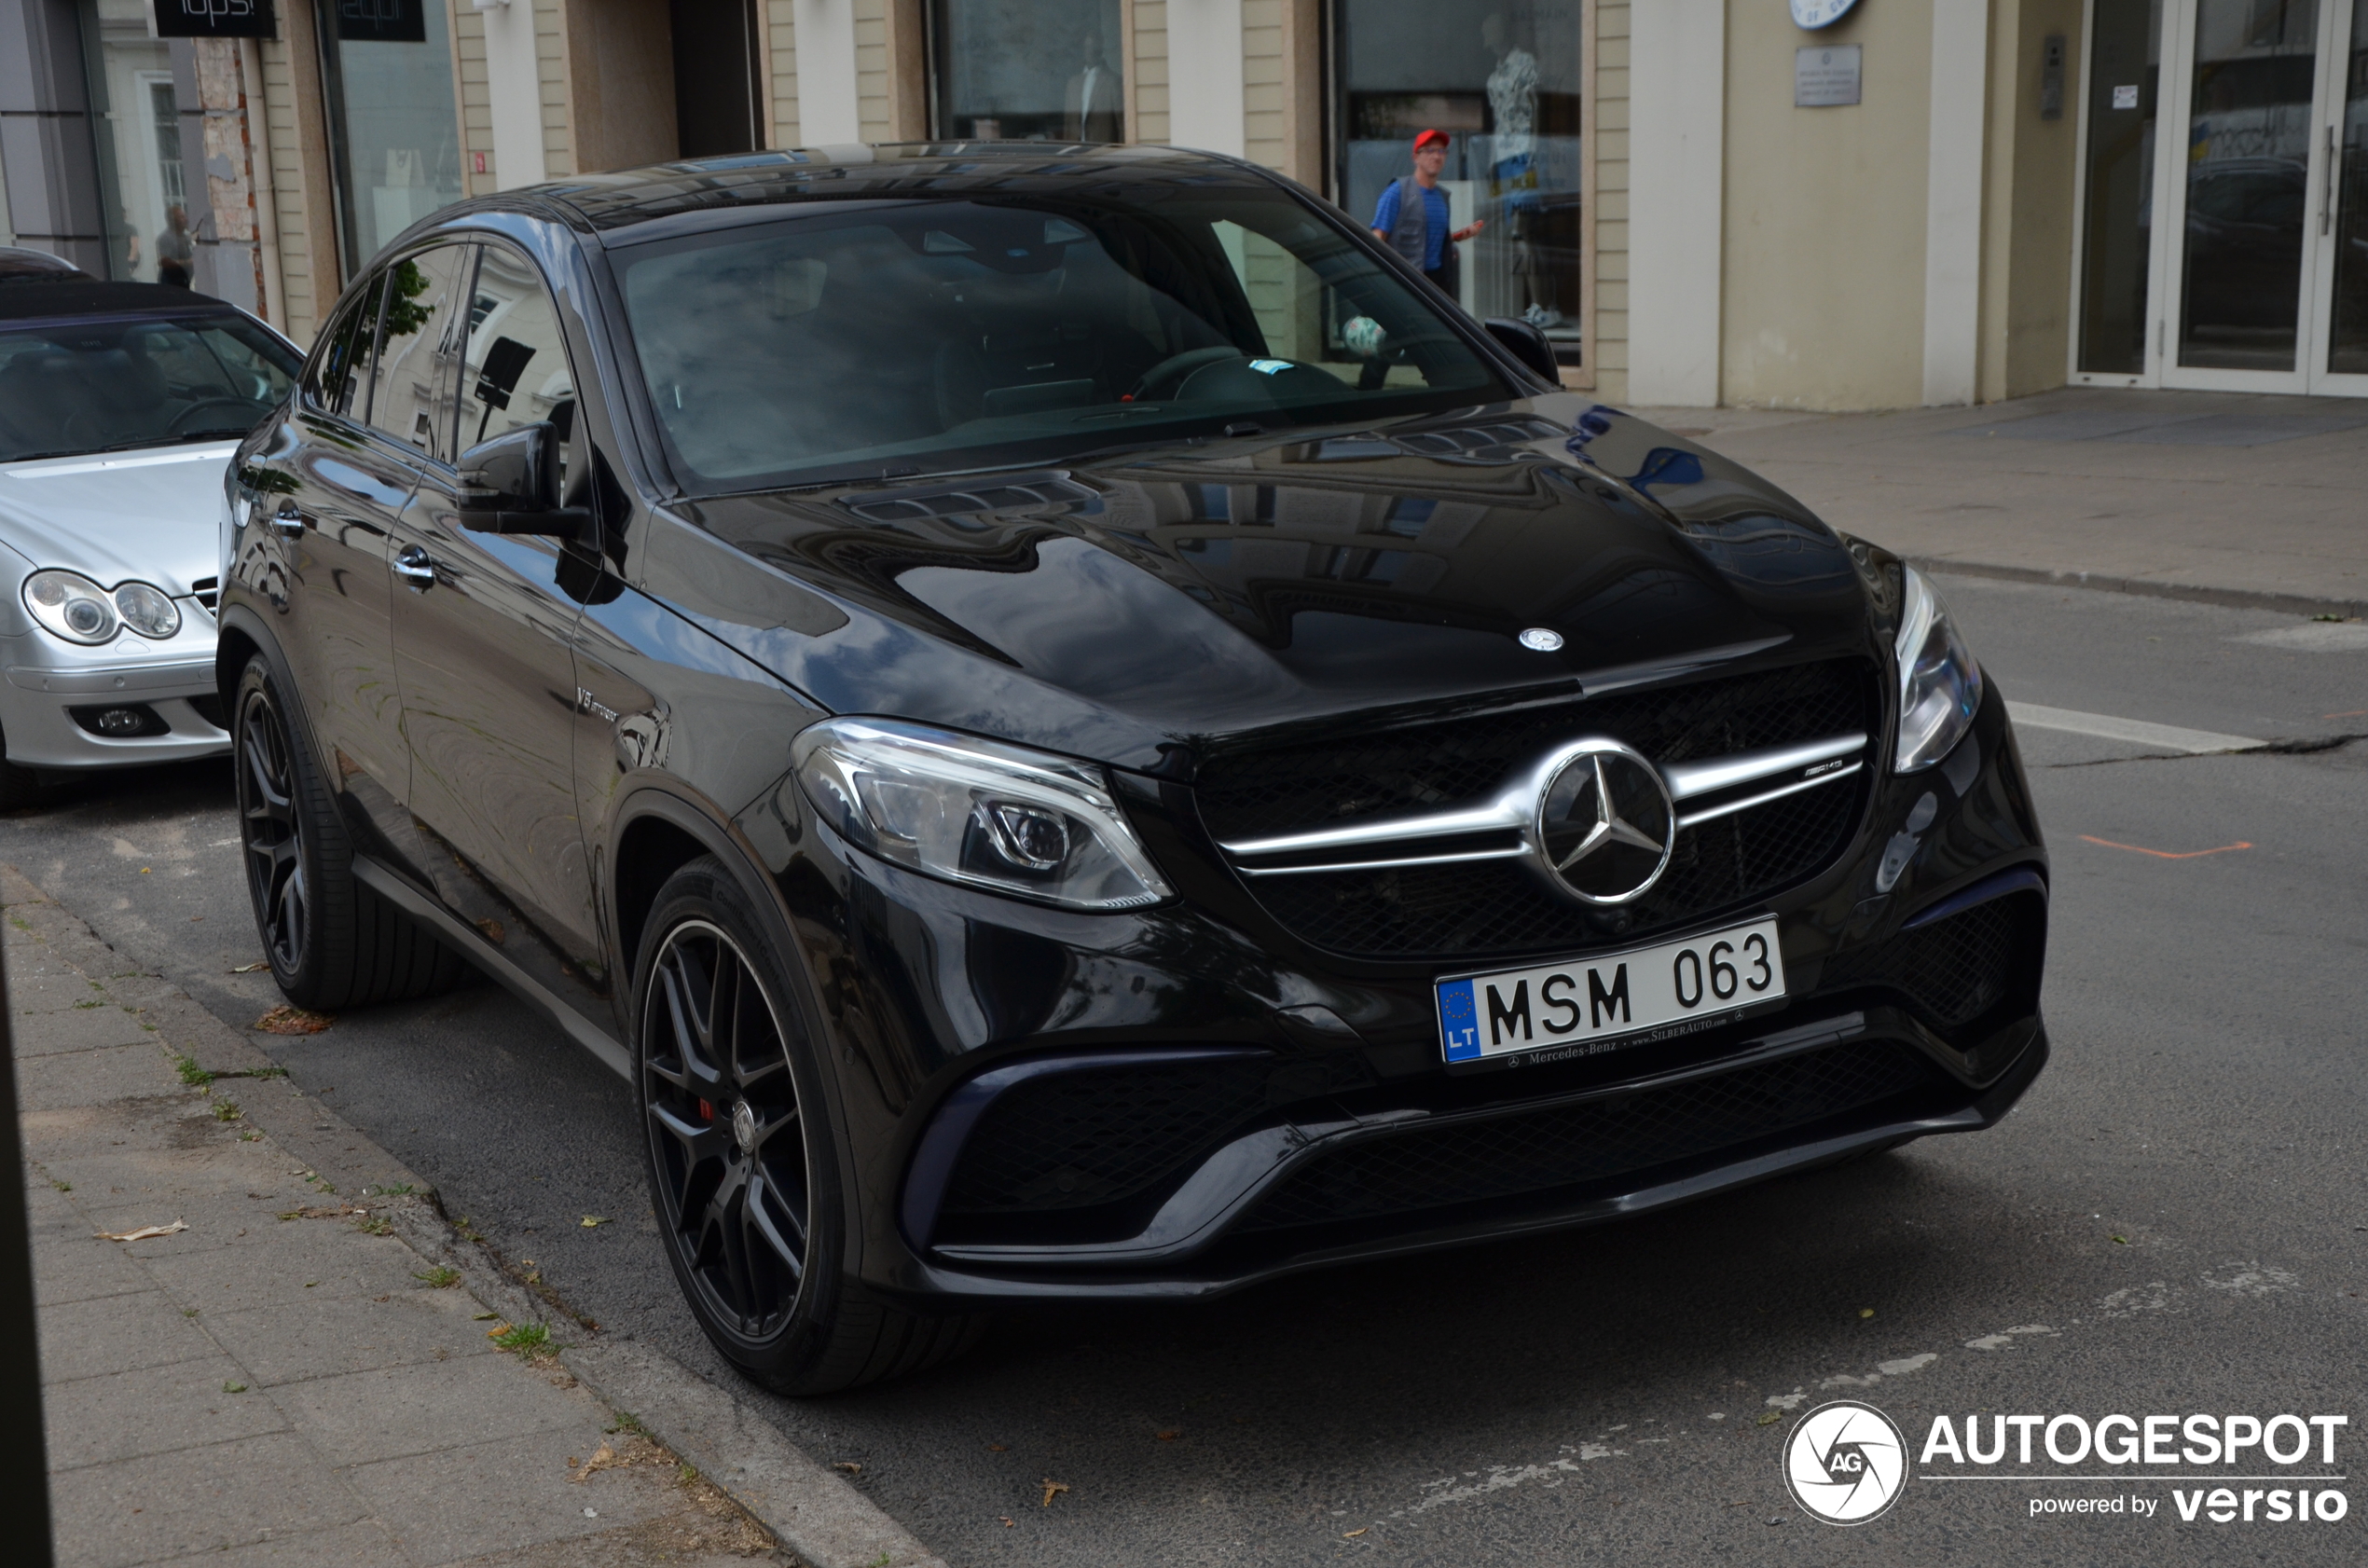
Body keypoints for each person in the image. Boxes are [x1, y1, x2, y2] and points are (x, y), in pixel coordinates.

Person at [1370, 129, 1483, 297]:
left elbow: (1426, 239)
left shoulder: (1442, 197)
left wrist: (1457, 237)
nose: (1436, 156)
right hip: (1405, 282)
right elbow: (1376, 240)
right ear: (1416, 157)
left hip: (1438, 284)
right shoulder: (1397, 192)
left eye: (1441, 151)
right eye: (1429, 151)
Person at [155, 205, 194, 289]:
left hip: (185, 280)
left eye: (185, 216)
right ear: (172, 220)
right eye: (181, 217)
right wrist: (188, 262)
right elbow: (164, 262)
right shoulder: (166, 238)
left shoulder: (186, 237)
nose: (186, 220)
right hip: (171, 282)